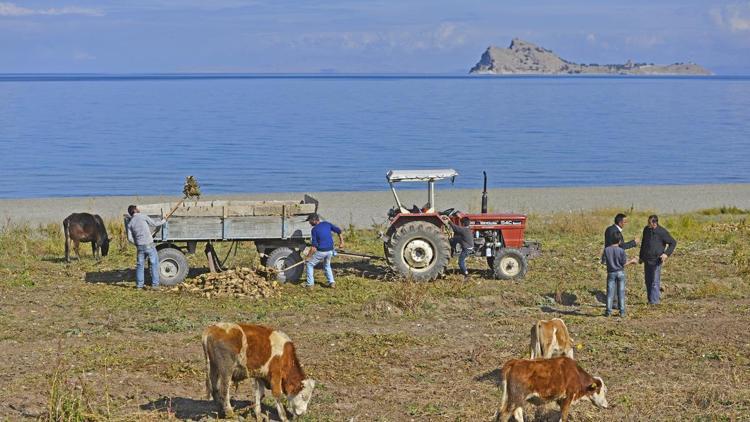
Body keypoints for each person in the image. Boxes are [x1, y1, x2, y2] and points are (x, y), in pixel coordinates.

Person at [638, 215, 677, 305]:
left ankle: (655, 302)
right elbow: (644, 243)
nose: (648, 224)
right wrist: (641, 257)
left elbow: (673, 242)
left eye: (649, 223)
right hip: (647, 259)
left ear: (655, 223)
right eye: (648, 222)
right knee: (648, 281)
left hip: (656, 260)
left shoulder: (662, 232)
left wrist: (666, 254)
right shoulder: (646, 230)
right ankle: (650, 300)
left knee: (654, 281)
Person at [126, 205, 166, 290]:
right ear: (135, 210)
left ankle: (139, 285)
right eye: (137, 208)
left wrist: (136, 244)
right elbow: (154, 224)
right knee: (154, 264)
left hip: (140, 247)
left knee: (140, 266)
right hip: (149, 244)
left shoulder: (130, 223)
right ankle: (155, 285)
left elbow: (129, 238)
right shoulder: (143, 216)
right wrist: (164, 221)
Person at [603, 233, 638, 317]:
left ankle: (608, 312)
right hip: (620, 272)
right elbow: (624, 263)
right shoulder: (621, 250)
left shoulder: (606, 250)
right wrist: (632, 261)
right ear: (619, 241)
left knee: (610, 293)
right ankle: (622, 312)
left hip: (611, 272)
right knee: (621, 293)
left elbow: (603, 262)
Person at [305, 213, 344, 288]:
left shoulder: (314, 230)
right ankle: (332, 282)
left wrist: (308, 257)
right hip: (330, 251)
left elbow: (314, 247)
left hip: (322, 251)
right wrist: (342, 242)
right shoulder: (327, 224)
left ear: (314, 220)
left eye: (310, 221)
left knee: (309, 264)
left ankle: (310, 284)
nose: (309, 223)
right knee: (327, 265)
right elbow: (339, 231)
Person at [449, 216, 474, 280]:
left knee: (460, 262)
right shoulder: (467, 229)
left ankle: (466, 274)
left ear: (463, 224)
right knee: (454, 239)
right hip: (468, 247)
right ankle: (452, 250)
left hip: (467, 249)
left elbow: (455, 228)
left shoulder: (463, 230)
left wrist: (449, 221)